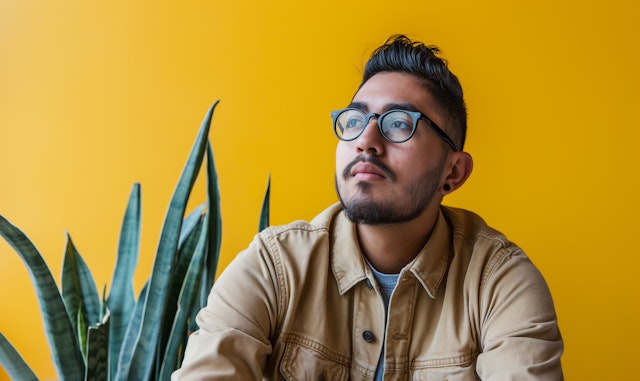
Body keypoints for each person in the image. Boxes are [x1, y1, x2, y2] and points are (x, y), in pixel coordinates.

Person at [173, 34, 564, 380]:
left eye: (398, 123)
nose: (366, 140)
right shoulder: (275, 266)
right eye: (355, 119)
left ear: (453, 171)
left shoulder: (498, 282)